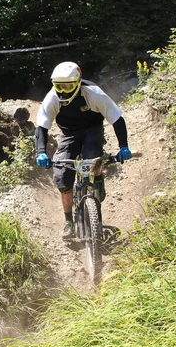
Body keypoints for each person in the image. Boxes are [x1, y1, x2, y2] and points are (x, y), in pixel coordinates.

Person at [35, 61, 131, 238]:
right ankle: (68, 221)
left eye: (67, 86)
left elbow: (117, 119)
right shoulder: (53, 98)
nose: (63, 90)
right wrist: (41, 151)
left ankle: (98, 177)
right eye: (59, 86)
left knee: (93, 155)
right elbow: (42, 126)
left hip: (93, 129)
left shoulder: (93, 93)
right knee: (63, 177)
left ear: (77, 83)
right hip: (69, 134)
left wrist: (123, 146)